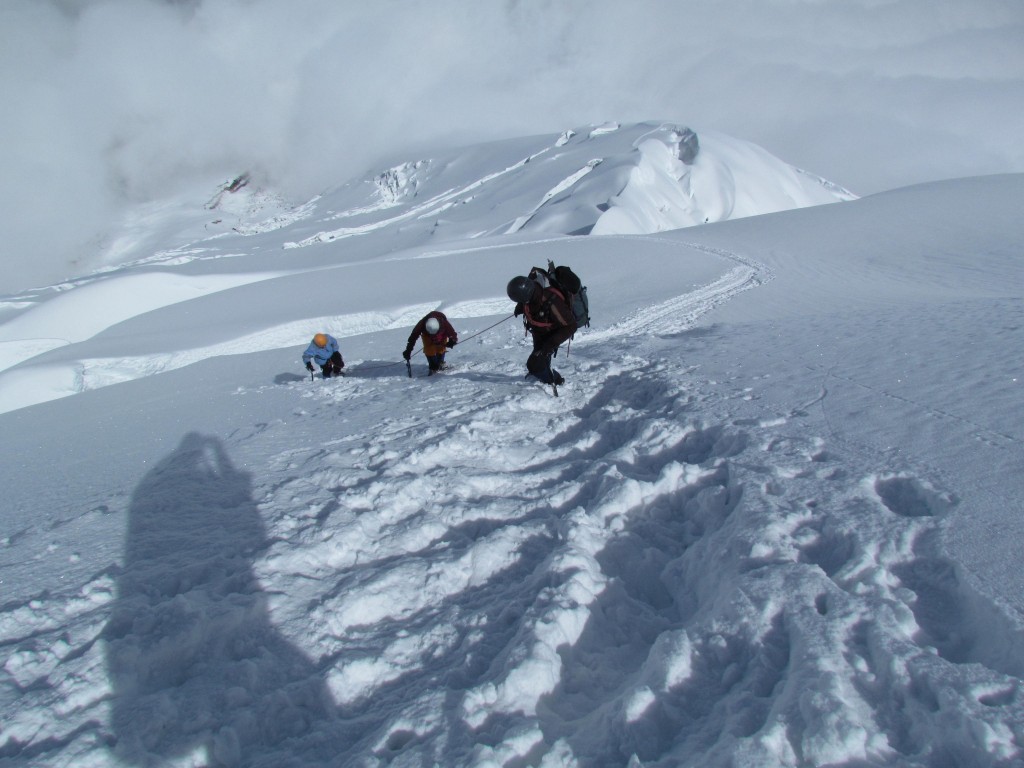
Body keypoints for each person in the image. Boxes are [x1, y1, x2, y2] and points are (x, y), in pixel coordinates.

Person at [507, 275, 576, 385]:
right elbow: (529, 302)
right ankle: (542, 374)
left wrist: (550, 344)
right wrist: (520, 307)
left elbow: (571, 326)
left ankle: (553, 381)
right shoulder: (532, 293)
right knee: (538, 362)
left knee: (534, 364)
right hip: (539, 333)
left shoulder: (552, 302)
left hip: (551, 336)